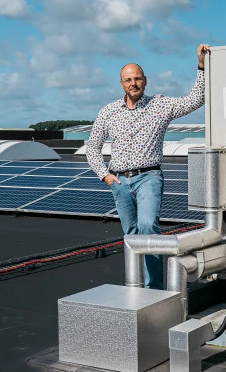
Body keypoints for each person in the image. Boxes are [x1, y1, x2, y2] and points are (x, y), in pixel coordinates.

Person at [85, 44, 211, 289]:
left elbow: (196, 100)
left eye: (138, 79)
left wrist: (201, 66)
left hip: (149, 177)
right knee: (131, 235)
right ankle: (136, 287)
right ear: (121, 84)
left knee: (147, 227)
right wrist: (105, 176)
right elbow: (92, 147)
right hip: (119, 181)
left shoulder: (160, 106)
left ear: (145, 81)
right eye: (128, 80)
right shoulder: (108, 112)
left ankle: (154, 289)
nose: (133, 84)